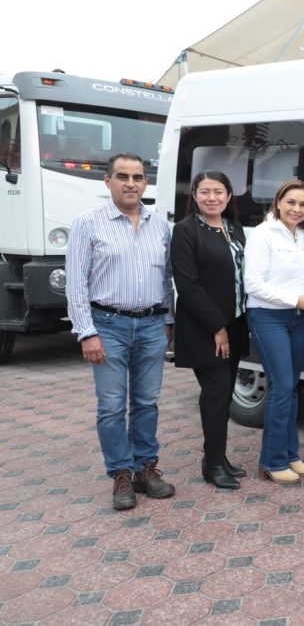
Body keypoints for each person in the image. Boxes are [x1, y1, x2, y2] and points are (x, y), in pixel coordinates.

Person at [66, 153, 175, 510]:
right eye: (123, 176)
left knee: (146, 402)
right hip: (107, 325)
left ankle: (146, 468)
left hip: (151, 325)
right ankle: (121, 474)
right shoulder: (88, 223)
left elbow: (167, 279)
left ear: (146, 182)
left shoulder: (159, 225)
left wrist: (168, 321)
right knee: (112, 406)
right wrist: (87, 332)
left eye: (138, 177)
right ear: (107, 181)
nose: (131, 183)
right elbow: (76, 284)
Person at [171, 171, 249, 489]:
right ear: (194, 195)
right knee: (215, 395)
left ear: (229, 196)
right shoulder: (186, 231)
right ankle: (213, 464)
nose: (212, 198)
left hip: (236, 323)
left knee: (225, 394)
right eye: (205, 192)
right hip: (206, 328)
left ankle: (216, 456)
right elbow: (187, 285)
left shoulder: (234, 228)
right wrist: (217, 326)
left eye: (219, 191)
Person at [244, 179, 304, 483]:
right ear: (278, 202)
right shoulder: (264, 234)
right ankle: (271, 461)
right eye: (291, 202)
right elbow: (253, 284)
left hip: (298, 319)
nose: (297, 209)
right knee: (281, 385)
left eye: (303, 204)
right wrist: (296, 300)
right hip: (268, 317)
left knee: (291, 387)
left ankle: (290, 454)